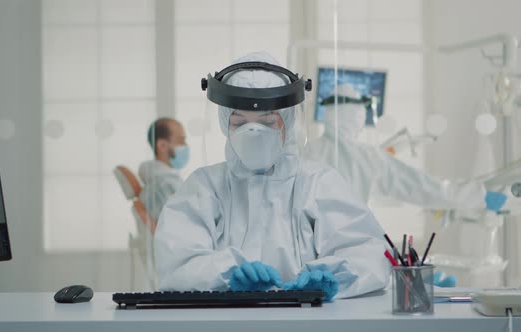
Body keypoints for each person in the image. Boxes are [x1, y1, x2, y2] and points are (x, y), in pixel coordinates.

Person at [154, 52, 391, 301]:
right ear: (225, 124)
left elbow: (368, 252)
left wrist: (334, 276)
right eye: (240, 122)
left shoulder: (318, 182)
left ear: (287, 123)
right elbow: (176, 262)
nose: (253, 132)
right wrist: (226, 274)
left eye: (267, 122)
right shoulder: (205, 186)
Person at [304, 84, 518, 215]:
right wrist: (481, 197)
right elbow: (425, 188)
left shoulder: (306, 153)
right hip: (355, 256)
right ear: (355, 114)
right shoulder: (369, 158)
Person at [139, 118, 189, 220]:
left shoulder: (161, 179)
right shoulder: (163, 184)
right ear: (162, 145)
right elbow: (180, 222)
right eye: (181, 141)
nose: (186, 146)